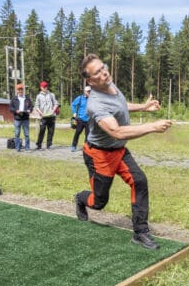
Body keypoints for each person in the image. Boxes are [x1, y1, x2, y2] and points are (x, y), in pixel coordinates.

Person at [74, 54, 173, 250]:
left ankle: (140, 232)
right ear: (90, 80)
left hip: (119, 151)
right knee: (99, 201)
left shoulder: (110, 85)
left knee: (139, 181)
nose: (104, 73)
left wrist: (144, 107)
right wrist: (152, 127)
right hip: (99, 155)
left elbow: (121, 106)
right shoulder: (95, 104)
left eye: (103, 67)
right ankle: (80, 198)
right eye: (98, 73)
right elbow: (116, 131)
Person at [9, 83, 33, 152]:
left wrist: (29, 110)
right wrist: (16, 111)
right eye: (19, 90)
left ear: (23, 90)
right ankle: (17, 148)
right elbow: (10, 108)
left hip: (25, 118)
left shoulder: (27, 98)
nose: (20, 91)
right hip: (17, 118)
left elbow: (31, 106)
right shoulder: (14, 99)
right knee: (17, 134)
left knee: (27, 134)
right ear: (17, 91)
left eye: (21, 90)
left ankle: (27, 148)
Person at [34, 81, 58, 150]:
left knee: (51, 131)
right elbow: (36, 106)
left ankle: (49, 145)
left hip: (51, 116)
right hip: (43, 116)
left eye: (46, 86)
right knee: (41, 131)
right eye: (44, 87)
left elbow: (56, 103)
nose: (45, 88)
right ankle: (39, 145)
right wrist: (40, 113)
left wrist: (53, 111)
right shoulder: (38, 96)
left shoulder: (51, 95)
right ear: (41, 87)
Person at [71, 85, 91, 152]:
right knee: (78, 132)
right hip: (80, 119)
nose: (89, 92)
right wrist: (74, 113)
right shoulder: (80, 98)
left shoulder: (92, 99)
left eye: (90, 91)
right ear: (85, 91)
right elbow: (73, 104)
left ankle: (86, 147)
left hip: (89, 120)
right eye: (88, 91)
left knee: (88, 135)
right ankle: (74, 146)